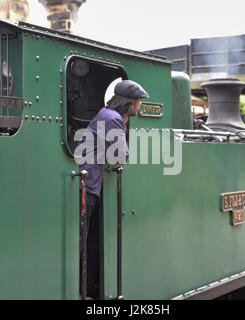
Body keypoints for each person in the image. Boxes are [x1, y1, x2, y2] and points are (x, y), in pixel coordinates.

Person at [77, 80, 149, 299]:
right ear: (130, 103)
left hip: (91, 182)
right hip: (88, 185)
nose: (140, 105)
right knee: (83, 239)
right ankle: (82, 291)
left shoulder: (109, 116)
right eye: (139, 101)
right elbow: (121, 155)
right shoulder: (112, 119)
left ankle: (87, 288)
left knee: (88, 239)